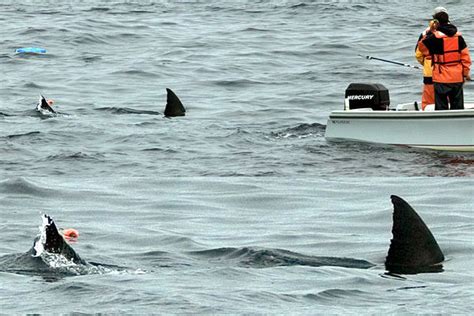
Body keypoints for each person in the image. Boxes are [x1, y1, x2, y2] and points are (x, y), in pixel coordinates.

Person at [418, 7, 471, 110]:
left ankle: (442, 124)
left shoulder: (434, 38)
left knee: (441, 108)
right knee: (458, 108)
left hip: (441, 77)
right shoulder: (458, 37)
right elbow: (466, 58)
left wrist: (431, 31)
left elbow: (422, 49)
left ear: (436, 22)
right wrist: (465, 74)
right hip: (457, 77)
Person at [415, 20, 436, 110]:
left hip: (429, 72)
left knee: (428, 101)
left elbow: (418, 55)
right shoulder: (453, 33)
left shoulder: (425, 34)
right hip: (450, 72)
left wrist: (426, 64)